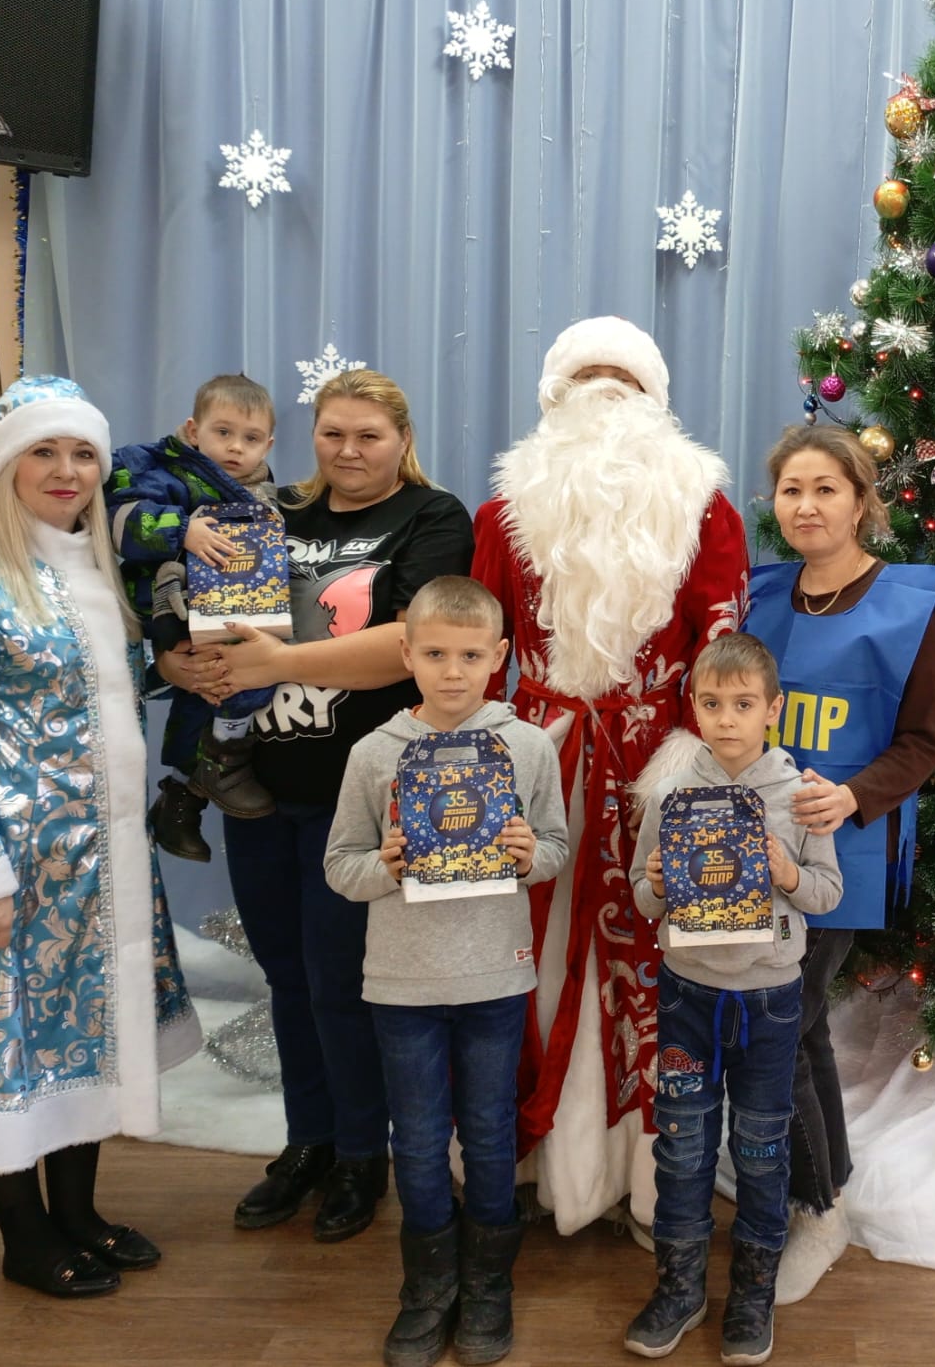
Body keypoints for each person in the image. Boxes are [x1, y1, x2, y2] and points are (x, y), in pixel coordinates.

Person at [0, 375, 201, 1299]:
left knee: (80, 1045)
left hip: (96, 872)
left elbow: (98, 701)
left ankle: (79, 1216)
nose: (66, 471)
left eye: (83, 453)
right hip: (8, 877)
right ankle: (24, 1237)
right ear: (8, 464)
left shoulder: (95, 573)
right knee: (6, 1051)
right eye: (44, 452)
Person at [166, 369, 474, 1240]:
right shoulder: (272, 512)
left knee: (345, 985)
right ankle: (307, 1141)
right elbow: (209, 610)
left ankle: (361, 1155)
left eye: (368, 435)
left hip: (366, 798)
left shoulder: (431, 517)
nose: (348, 451)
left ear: (402, 439)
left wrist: (279, 664)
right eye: (332, 433)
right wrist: (177, 659)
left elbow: (411, 642)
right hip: (261, 789)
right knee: (287, 978)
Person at [470, 316, 749, 1238]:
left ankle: (648, 1178)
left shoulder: (705, 509)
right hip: (538, 759)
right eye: (584, 378)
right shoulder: (502, 514)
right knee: (529, 957)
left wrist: (701, 768)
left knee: (657, 965)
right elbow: (480, 648)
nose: (603, 395)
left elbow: (725, 645)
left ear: (653, 402)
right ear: (554, 399)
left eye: (621, 381)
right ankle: (531, 1159)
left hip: (659, 765)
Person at [325, 576, 570, 1367]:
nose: (453, 672)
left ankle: (488, 1282)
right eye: (435, 654)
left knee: (491, 1134)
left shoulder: (527, 746)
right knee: (422, 1140)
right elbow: (340, 865)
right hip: (403, 984)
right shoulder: (374, 753)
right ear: (406, 654)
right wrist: (386, 867)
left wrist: (530, 856)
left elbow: (556, 848)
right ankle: (428, 1286)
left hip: (496, 978)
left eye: (469, 656)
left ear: (500, 656)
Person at [741, 425, 935, 1305]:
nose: (807, 506)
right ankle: (827, 1184)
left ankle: (816, 1208)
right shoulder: (759, 597)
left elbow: (924, 741)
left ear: (862, 502)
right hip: (754, 850)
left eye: (826, 489)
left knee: (779, 1024)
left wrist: (856, 795)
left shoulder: (907, 604)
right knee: (800, 1029)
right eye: (792, 490)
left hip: (842, 853)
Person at [625, 632, 841, 1364]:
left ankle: (752, 1294)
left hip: (769, 1000)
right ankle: (680, 1288)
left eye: (744, 704)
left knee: (760, 1147)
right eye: (712, 703)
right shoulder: (672, 794)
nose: (727, 719)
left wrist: (786, 873)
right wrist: (657, 881)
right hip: (687, 995)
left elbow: (827, 892)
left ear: (772, 710)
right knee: (683, 1146)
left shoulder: (803, 795)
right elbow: (643, 896)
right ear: (694, 707)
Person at [106, 372, 281, 861]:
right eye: (223, 432)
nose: (236, 447)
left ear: (268, 445)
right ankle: (217, 764)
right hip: (174, 605)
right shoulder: (167, 474)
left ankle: (184, 794)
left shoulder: (267, 494)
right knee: (223, 683)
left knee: (223, 690)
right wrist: (181, 530)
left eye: (250, 438)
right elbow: (120, 520)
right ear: (193, 431)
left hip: (236, 610)